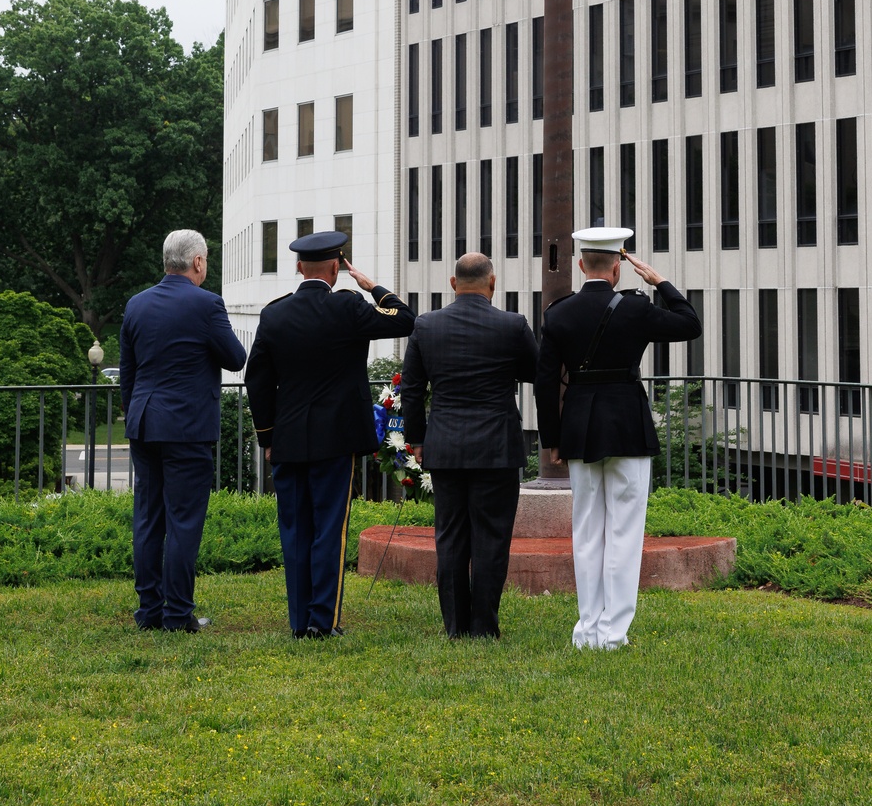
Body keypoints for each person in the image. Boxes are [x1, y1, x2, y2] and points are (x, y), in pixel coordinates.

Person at [535, 226, 701, 651]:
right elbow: (689, 324)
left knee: (587, 530)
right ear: (617, 269)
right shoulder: (635, 309)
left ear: (579, 266)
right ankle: (613, 634)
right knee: (625, 532)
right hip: (627, 425)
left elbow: (544, 383)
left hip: (580, 428)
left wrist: (552, 439)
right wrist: (660, 281)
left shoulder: (558, 313)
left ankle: (587, 629)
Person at [244, 230, 414, 639]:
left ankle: (299, 622)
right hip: (336, 441)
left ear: (298, 267)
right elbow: (405, 320)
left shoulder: (274, 314)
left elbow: (257, 381)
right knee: (328, 530)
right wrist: (373, 287)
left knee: (295, 530)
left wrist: (267, 438)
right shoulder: (348, 307)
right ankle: (323, 621)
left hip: (287, 440)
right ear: (337, 268)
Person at [400, 252, 539, 639]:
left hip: (444, 444)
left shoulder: (427, 326)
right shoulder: (512, 326)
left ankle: (455, 626)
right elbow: (536, 371)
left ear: (452, 283)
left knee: (450, 536)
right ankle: (484, 628)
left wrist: (416, 439)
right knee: (492, 538)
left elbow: (411, 388)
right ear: (492, 283)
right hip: (497, 446)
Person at [120, 229, 247, 632]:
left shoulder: (136, 305)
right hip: (187, 427)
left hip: (143, 422)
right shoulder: (207, 304)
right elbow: (235, 357)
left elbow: (128, 372)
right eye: (206, 259)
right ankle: (177, 614)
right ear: (197, 262)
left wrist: (135, 412)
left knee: (148, 519)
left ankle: (148, 612)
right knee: (184, 522)